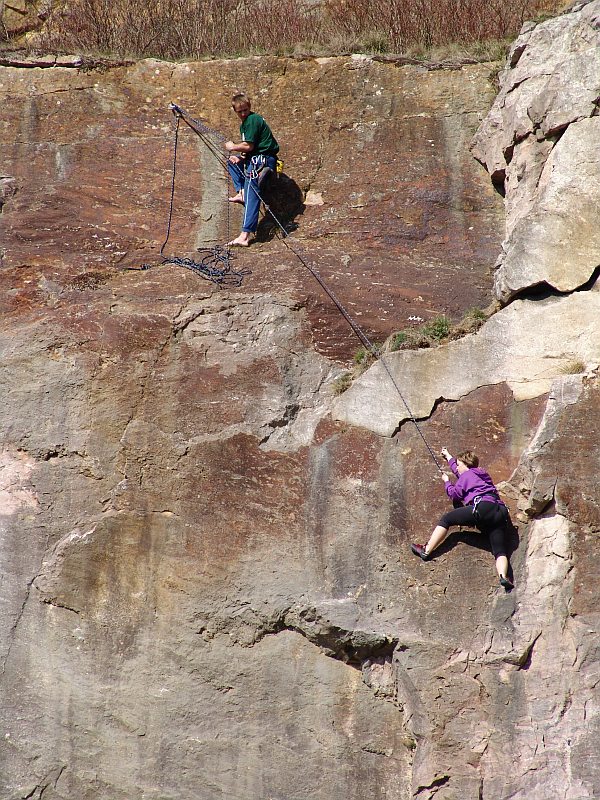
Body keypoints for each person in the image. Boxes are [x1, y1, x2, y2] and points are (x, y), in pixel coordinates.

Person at [410, 448, 514, 590]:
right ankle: (503, 576)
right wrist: (448, 456)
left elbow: (455, 494)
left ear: (466, 465)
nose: (457, 468)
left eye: (459, 465)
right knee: (499, 550)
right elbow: (459, 470)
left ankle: (426, 550)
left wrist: (447, 482)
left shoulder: (467, 475)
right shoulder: (482, 474)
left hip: (483, 507)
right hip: (500, 513)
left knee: (447, 519)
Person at [224, 93, 279, 247]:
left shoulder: (252, 120)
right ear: (234, 110)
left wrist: (233, 146)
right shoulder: (246, 123)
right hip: (255, 158)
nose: (243, 113)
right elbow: (250, 149)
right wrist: (240, 157)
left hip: (262, 159)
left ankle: (245, 235)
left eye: (245, 110)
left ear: (250, 108)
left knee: (252, 191)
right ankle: (241, 192)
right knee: (233, 163)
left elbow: (249, 146)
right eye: (240, 111)